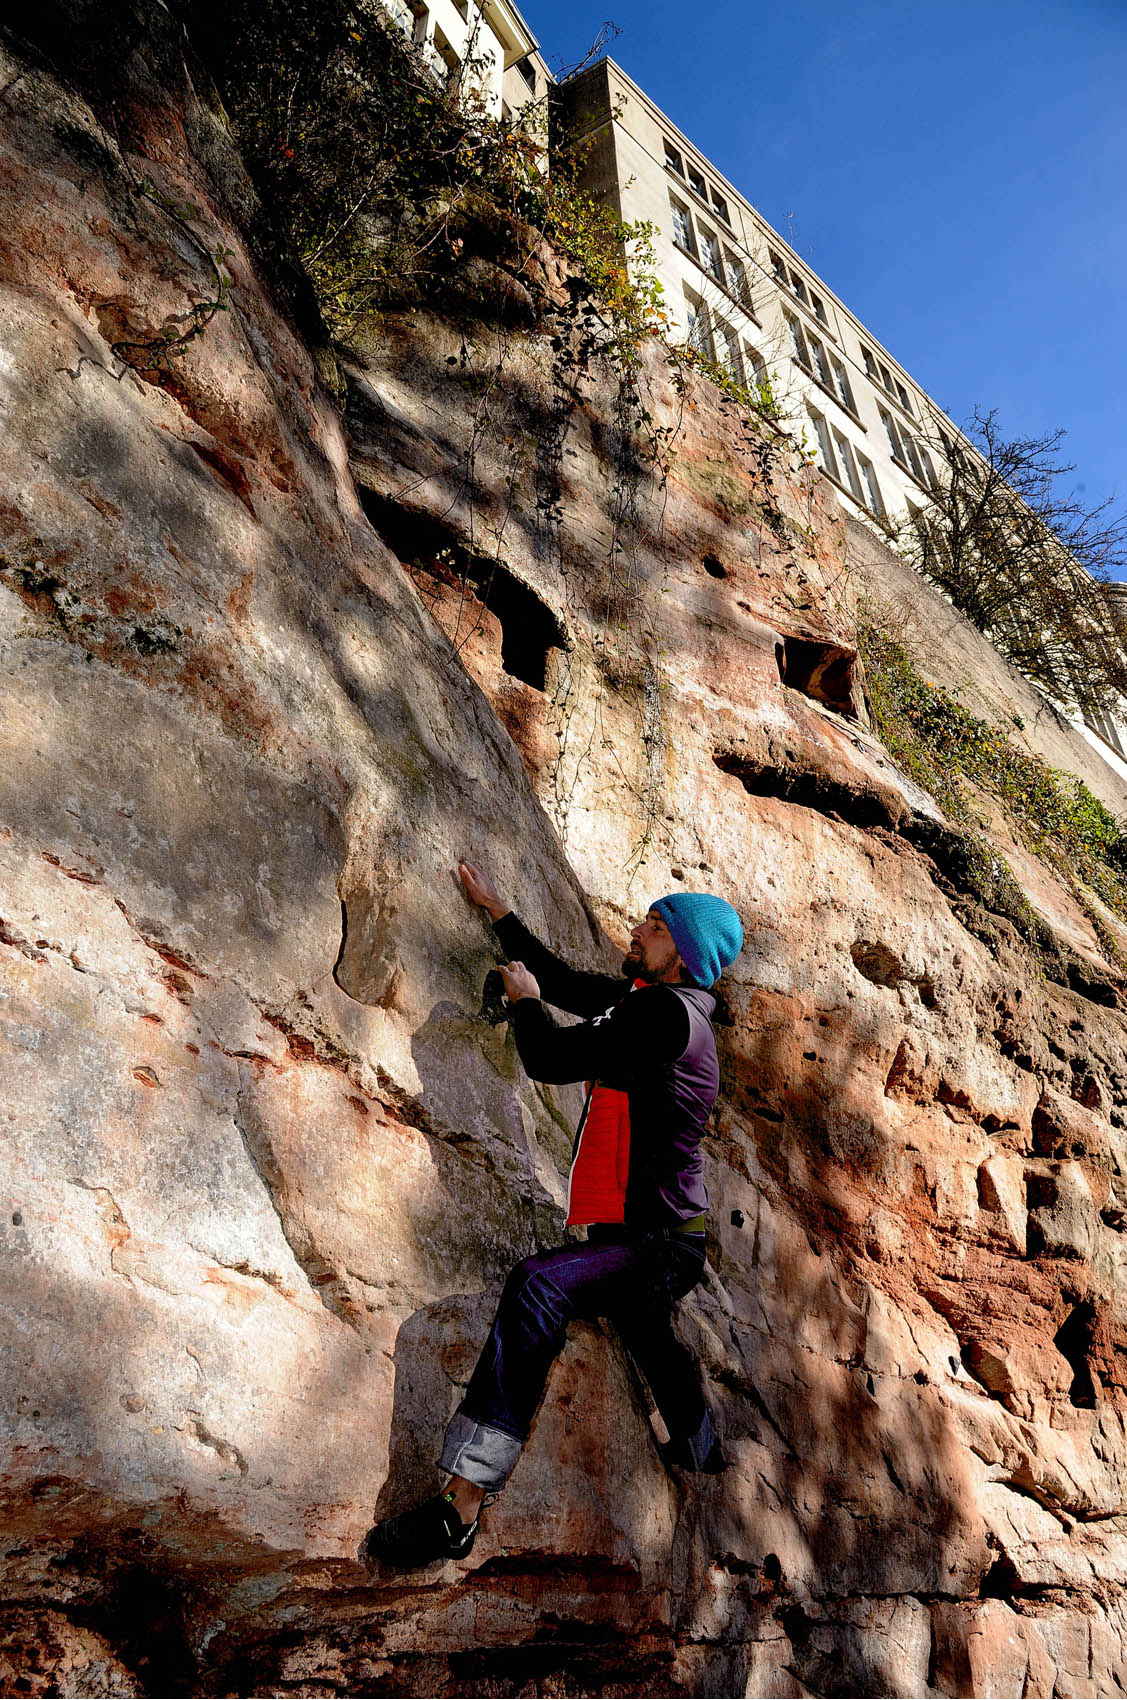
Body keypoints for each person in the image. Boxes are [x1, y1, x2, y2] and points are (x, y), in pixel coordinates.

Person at [361, 861, 743, 1570]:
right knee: (642, 1326)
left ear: (684, 955)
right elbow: (565, 983)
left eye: (655, 927)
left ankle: (460, 1508)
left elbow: (550, 1057)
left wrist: (524, 1003)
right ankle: (697, 1443)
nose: (636, 929)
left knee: (541, 1284)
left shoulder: (664, 1018)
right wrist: (499, 912)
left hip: (657, 1247)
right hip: (646, 1241)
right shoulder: (645, 1001)